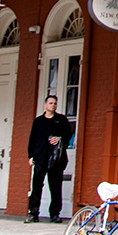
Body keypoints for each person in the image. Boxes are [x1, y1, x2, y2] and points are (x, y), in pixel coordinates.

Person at [26, 95, 73, 224]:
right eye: (50, 103)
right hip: (40, 157)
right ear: (45, 105)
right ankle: (33, 213)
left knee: (56, 186)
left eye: (55, 103)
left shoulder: (61, 120)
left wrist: (60, 138)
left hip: (56, 160)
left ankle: (55, 214)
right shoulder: (38, 121)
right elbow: (32, 139)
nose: (53, 105)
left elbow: (68, 134)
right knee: (36, 186)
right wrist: (31, 156)